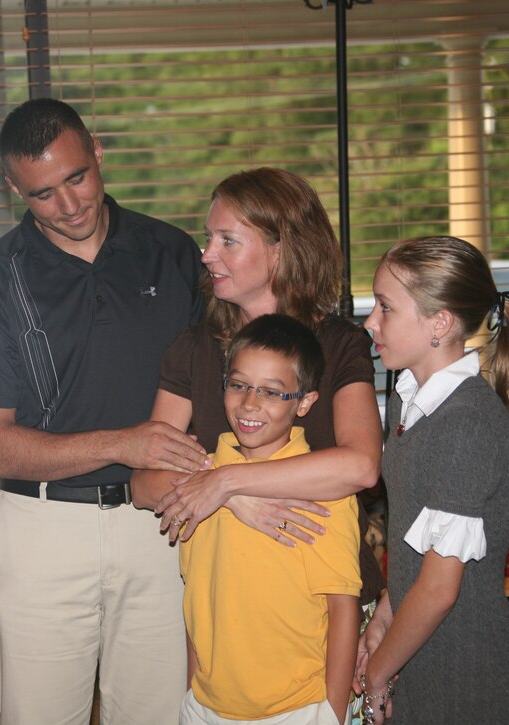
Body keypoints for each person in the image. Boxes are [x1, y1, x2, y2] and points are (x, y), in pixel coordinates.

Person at [0, 98, 209, 724]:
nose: (69, 205)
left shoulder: (174, 254)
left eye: (77, 178)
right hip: (41, 532)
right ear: (14, 189)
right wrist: (125, 443)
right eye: (42, 194)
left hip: (163, 526)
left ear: (97, 150)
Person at [131, 167, 386, 611]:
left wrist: (225, 481)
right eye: (208, 238)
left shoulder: (341, 344)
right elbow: (144, 482)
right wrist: (234, 500)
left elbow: (361, 466)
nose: (208, 255)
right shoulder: (193, 347)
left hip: (330, 598)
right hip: (231, 605)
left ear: (281, 250)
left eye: (228, 240)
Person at [354, 235, 509, 724]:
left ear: (439, 323)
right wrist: (387, 614)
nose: (371, 321)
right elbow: (418, 536)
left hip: (470, 673)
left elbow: (439, 589)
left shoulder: (467, 424)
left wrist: (376, 676)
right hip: (422, 655)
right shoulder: (406, 400)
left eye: (385, 308)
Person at [180, 314, 360, 725]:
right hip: (205, 706)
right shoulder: (200, 479)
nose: (249, 403)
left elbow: (342, 607)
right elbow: (195, 597)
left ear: (305, 402)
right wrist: (192, 688)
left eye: (272, 392)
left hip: (297, 709)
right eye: (239, 385)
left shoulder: (325, 490)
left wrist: (331, 712)